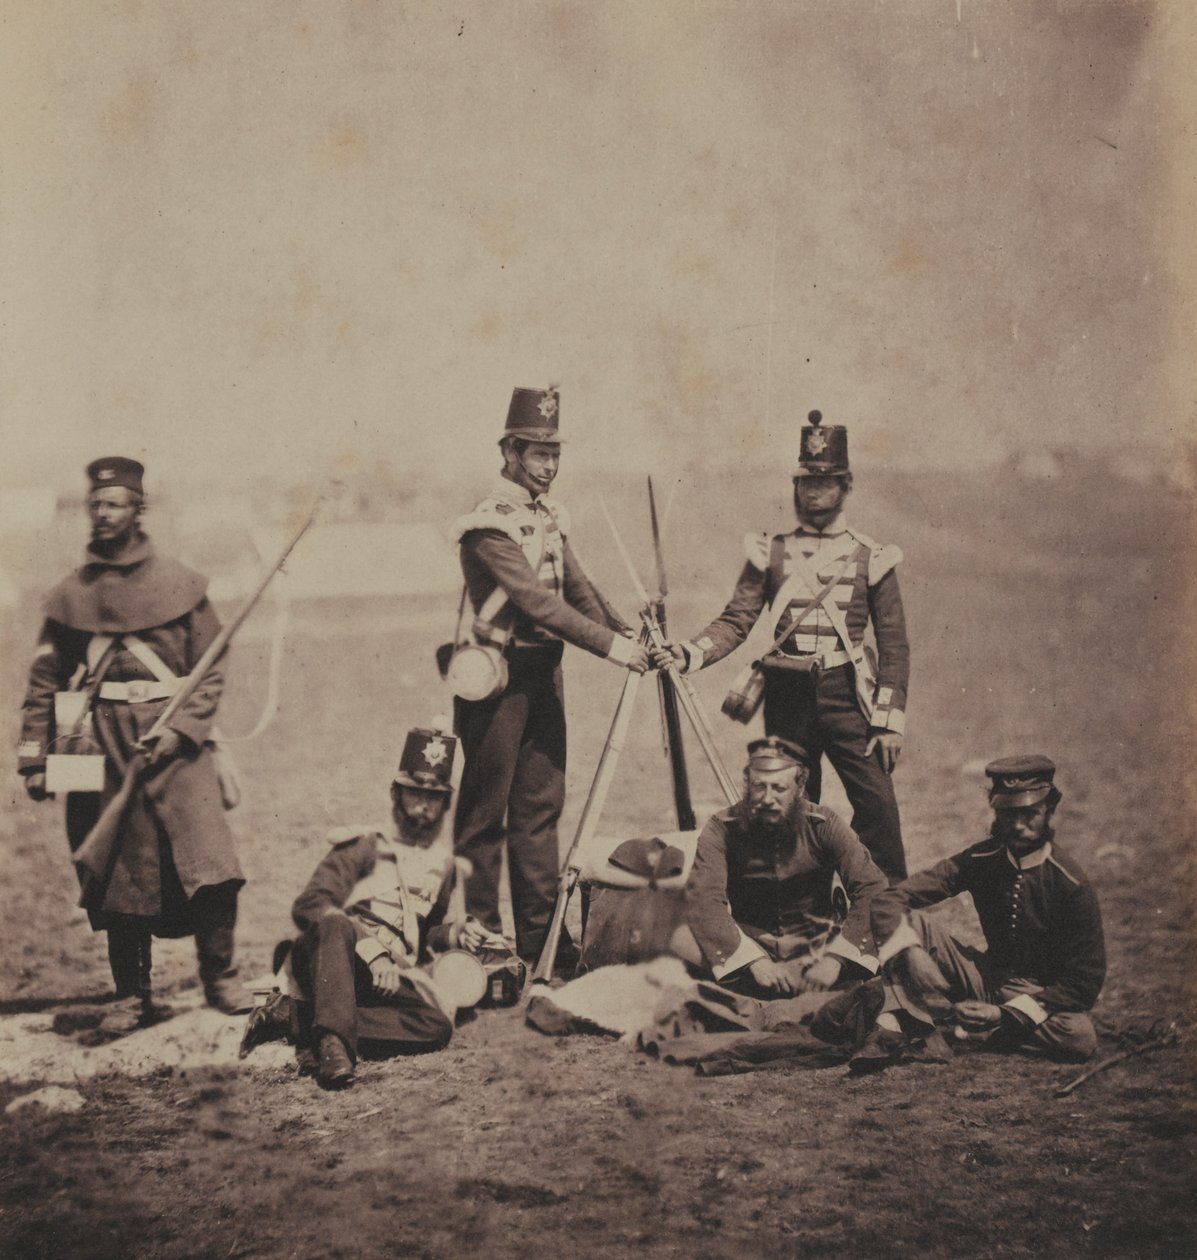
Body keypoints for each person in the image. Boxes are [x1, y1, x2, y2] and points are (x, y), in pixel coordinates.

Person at [17, 457, 248, 1027]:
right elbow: (46, 679)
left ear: (138, 510)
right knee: (117, 872)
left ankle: (220, 978)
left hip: (176, 740)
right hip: (101, 743)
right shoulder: (71, 596)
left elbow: (211, 669)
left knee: (210, 861)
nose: (102, 513)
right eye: (95, 504)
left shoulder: (181, 584)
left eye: (115, 503)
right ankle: (131, 995)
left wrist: (181, 729)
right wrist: (35, 758)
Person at [654, 411, 910, 881]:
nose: (813, 492)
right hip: (787, 692)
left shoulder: (870, 556)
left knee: (878, 810)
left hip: (848, 695)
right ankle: (801, 910)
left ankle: (887, 915)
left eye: (826, 482)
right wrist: (691, 652)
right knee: (787, 808)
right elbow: (738, 618)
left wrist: (889, 721)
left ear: (846, 485)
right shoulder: (771, 551)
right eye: (806, 482)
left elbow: (893, 645)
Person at [450, 386, 652, 966]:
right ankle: (484, 944)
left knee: (539, 811)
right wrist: (613, 648)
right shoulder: (488, 525)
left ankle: (541, 943)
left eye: (554, 453)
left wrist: (627, 632)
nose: (549, 465)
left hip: (543, 673)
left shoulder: (550, 518)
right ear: (510, 451)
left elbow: (578, 589)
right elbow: (538, 603)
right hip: (496, 680)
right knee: (485, 818)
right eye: (538, 453)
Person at [288, 728, 509, 1088]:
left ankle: (304, 1020)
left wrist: (454, 932)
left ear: (445, 804)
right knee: (335, 924)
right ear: (396, 793)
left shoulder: (443, 865)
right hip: (333, 960)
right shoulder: (365, 846)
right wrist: (372, 951)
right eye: (414, 794)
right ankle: (334, 1049)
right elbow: (311, 905)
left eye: (434, 798)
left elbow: (422, 936)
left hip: (385, 976)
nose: (423, 806)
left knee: (436, 1025)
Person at [858, 755, 1106, 1069]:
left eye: (1029, 813)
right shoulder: (981, 858)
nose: (1017, 825)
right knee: (906, 922)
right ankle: (915, 1030)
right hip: (985, 978)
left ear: (1050, 810)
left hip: (1041, 994)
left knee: (1079, 1037)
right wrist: (910, 951)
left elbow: (1083, 984)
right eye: (1007, 813)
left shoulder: (1070, 883)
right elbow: (890, 899)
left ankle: (981, 1029)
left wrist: (1005, 1013)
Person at [678, 735, 889, 999]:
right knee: (678, 936)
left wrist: (837, 960)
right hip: (750, 953)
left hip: (817, 952)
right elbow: (704, 899)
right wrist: (752, 961)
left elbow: (873, 888)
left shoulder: (825, 825)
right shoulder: (722, 828)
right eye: (759, 787)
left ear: (800, 788)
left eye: (778, 788)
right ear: (747, 784)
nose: (767, 798)